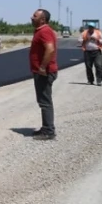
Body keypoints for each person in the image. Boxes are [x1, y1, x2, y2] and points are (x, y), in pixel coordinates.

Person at [29, 9, 58, 140]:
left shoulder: (44, 31)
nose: (31, 17)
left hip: (44, 72)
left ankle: (48, 131)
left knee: (45, 101)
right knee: (43, 101)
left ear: (42, 19)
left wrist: (42, 67)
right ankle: (46, 127)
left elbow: (50, 49)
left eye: (34, 16)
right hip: (41, 71)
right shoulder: (41, 31)